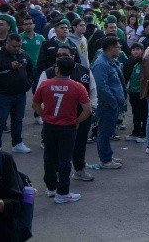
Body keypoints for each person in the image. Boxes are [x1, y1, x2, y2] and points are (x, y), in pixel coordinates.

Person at [31, 56, 92, 204]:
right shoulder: (78, 87)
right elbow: (87, 110)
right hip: (68, 127)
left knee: (49, 157)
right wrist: (77, 121)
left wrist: (45, 116)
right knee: (65, 159)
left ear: (57, 69)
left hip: (50, 125)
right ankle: (62, 192)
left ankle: (51, 187)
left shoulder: (45, 84)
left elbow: (35, 104)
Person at [92, 36, 125, 170]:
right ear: (111, 48)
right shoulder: (101, 64)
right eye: (118, 47)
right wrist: (112, 101)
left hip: (112, 103)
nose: (120, 50)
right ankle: (105, 160)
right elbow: (101, 87)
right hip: (107, 104)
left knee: (107, 131)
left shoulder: (110, 61)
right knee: (104, 132)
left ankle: (108, 155)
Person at [0, 34, 34, 153]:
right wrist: (9, 66)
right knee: (1, 120)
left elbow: (30, 67)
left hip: (20, 94)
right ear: (7, 43)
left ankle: (17, 143)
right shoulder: (0, 54)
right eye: (14, 46)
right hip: (3, 94)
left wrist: (29, 82)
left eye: (19, 46)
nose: (17, 49)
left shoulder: (23, 54)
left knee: (18, 120)